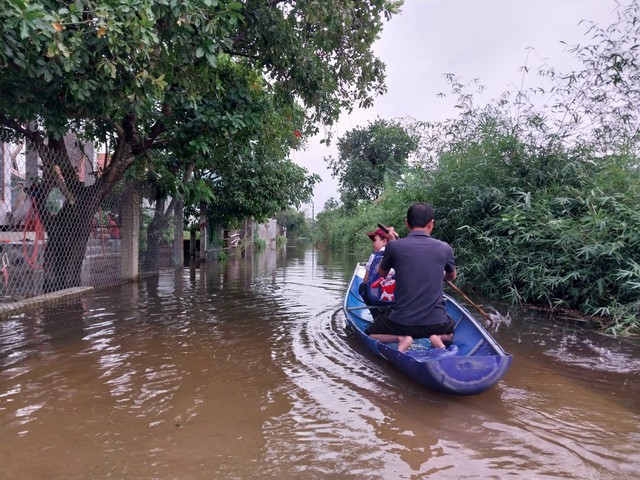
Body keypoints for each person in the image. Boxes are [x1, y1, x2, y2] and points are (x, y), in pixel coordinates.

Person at [365, 202, 457, 352]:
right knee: (451, 333)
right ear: (431, 223)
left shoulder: (394, 247)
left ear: (407, 224)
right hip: (436, 323)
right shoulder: (444, 247)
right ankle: (437, 338)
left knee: (370, 333)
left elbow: (382, 273)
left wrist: (391, 243)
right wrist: (439, 272)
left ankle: (401, 338)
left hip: (401, 323)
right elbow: (451, 277)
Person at [358, 227, 392, 319]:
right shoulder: (399, 253)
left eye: (375, 240)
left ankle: (376, 317)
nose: (373, 244)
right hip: (395, 298)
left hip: (377, 297)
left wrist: (366, 284)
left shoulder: (374, 256)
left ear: (384, 241)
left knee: (362, 287)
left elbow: (366, 279)